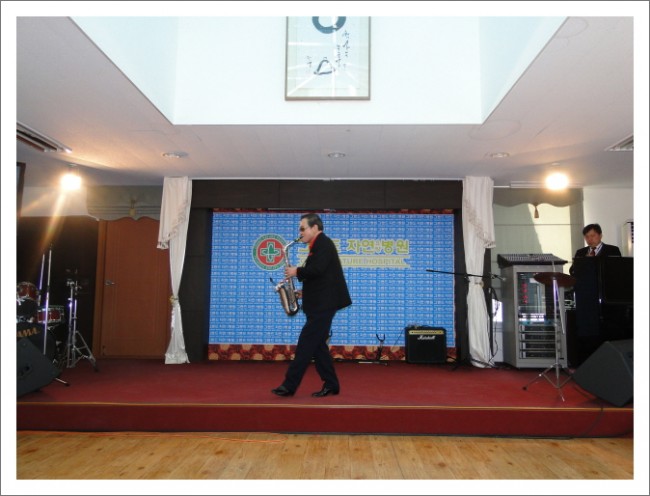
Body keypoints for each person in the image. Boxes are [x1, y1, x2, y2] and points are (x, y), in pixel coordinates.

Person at [271, 213, 352, 398]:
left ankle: (289, 386)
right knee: (318, 347)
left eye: (302, 228)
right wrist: (304, 292)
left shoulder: (323, 244)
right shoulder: (319, 245)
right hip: (321, 303)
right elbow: (323, 278)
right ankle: (331, 384)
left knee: (305, 345)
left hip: (323, 306)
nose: (300, 232)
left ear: (314, 227)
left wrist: (296, 271)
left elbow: (317, 270)